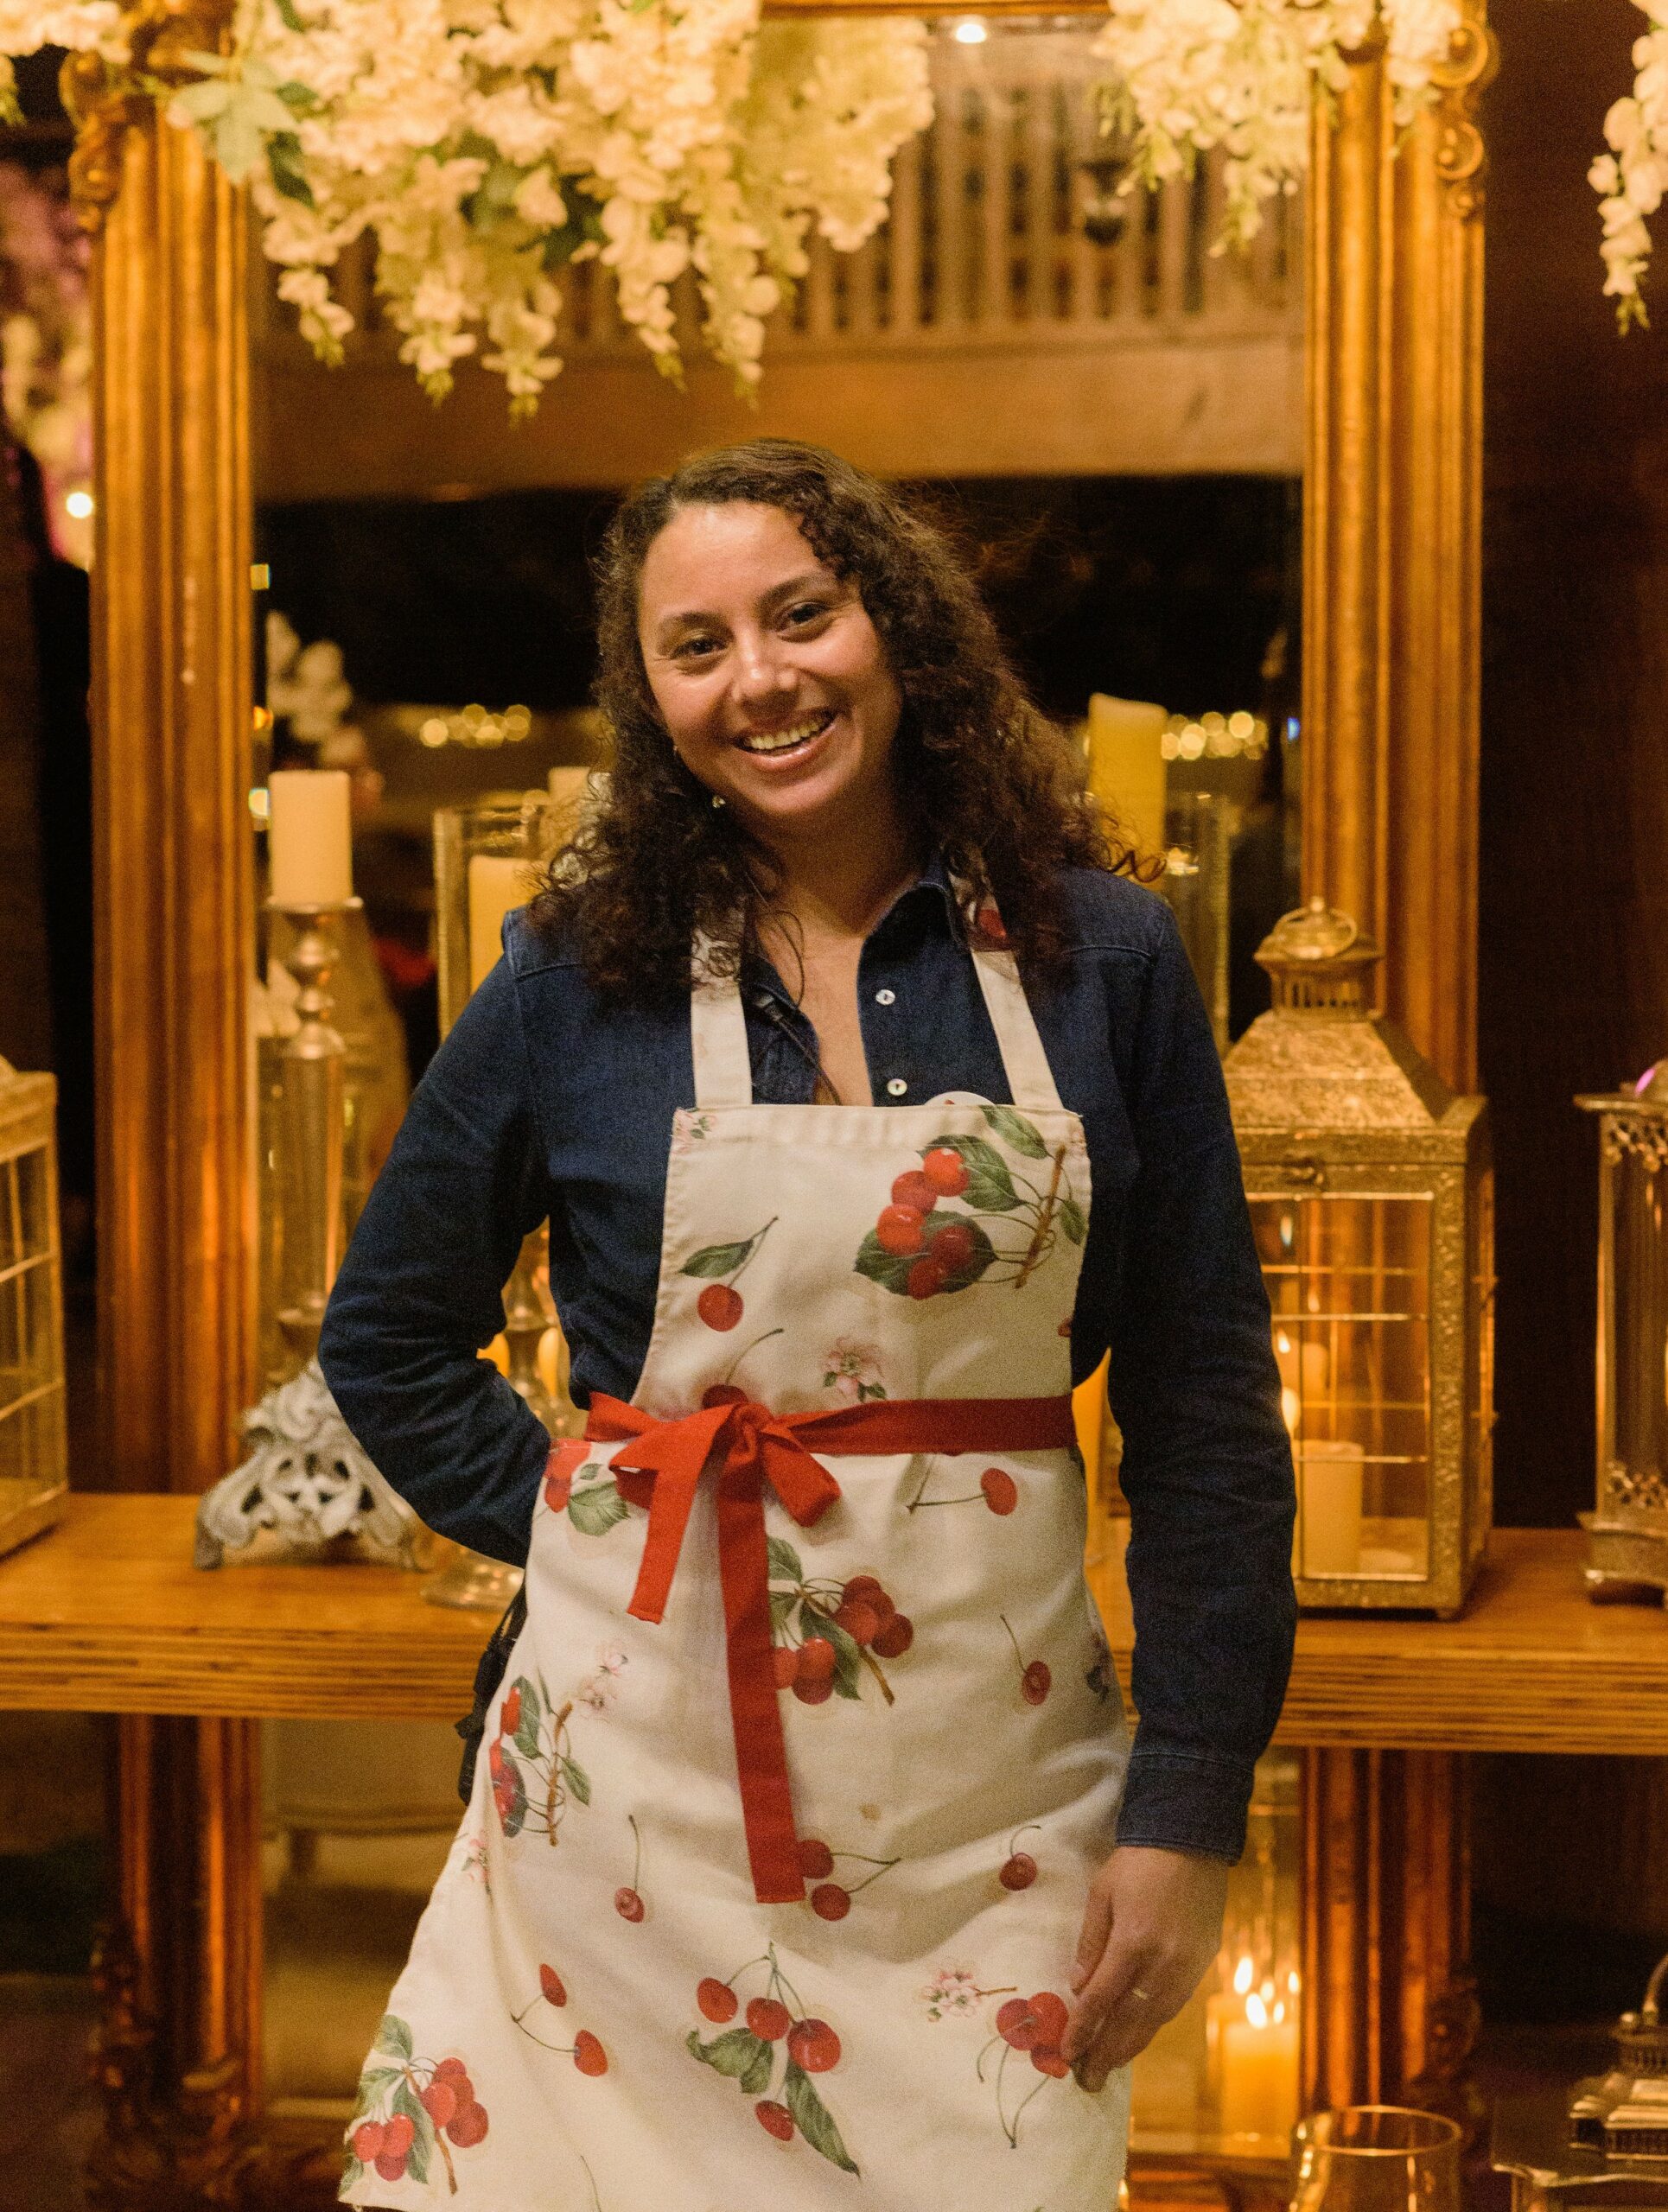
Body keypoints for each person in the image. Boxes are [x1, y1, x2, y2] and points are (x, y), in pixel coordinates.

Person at [320, 439, 1296, 2211]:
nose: (758, 678)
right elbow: (386, 1333)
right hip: (631, 1826)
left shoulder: (1109, 962)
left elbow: (1208, 1411)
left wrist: (1184, 1806)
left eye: (799, 614)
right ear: (651, 698)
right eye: (695, 646)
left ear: (895, 627)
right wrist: (591, 1513)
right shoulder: (570, 976)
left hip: (997, 1827)